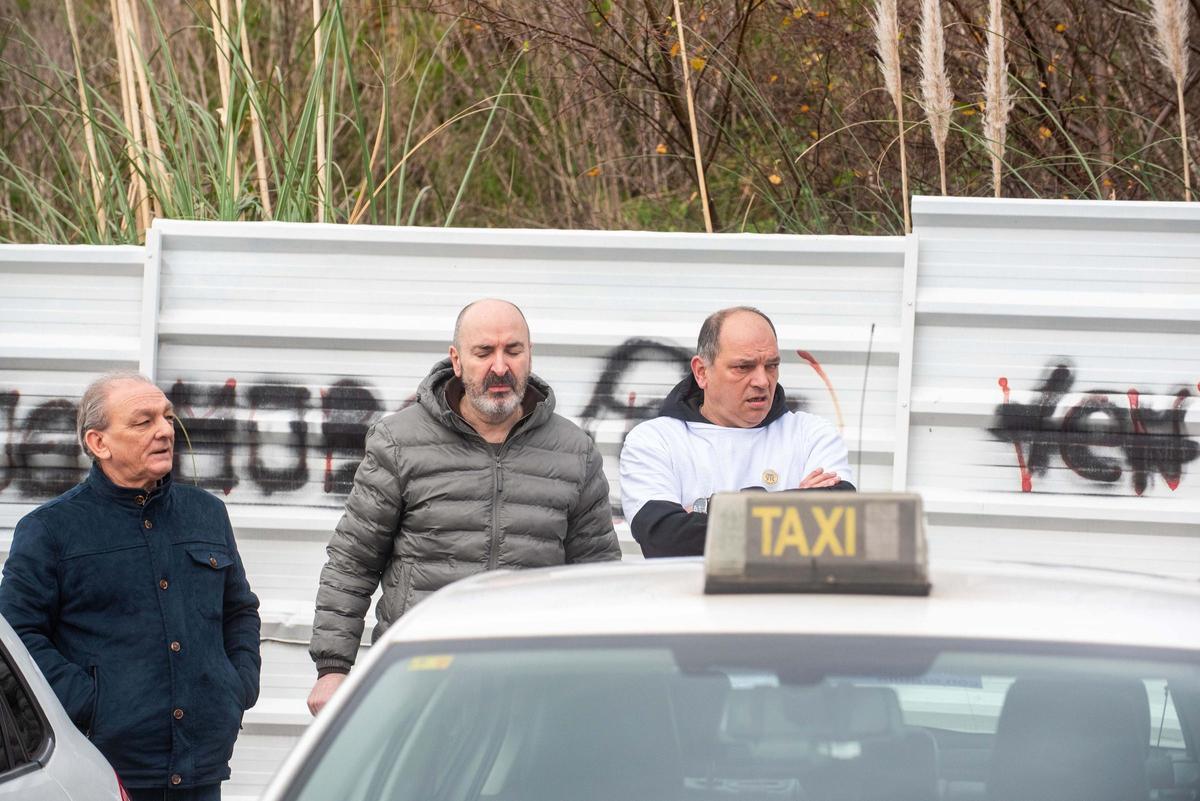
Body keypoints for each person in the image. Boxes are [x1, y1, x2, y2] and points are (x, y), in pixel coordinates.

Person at [307, 299, 621, 714]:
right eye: (483, 352)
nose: (500, 367)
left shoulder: (574, 451)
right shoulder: (399, 441)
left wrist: (609, 670)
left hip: (535, 684)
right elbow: (353, 560)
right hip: (420, 676)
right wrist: (333, 667)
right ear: (456, 360)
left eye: (513, 350)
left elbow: (597, 574)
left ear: (530, 356)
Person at [0, 372, 260, 801]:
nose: (164, 430)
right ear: (98, 443)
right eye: (143, 422)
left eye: (167, 418)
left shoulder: (207, 515)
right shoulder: (51, 530)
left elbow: (239, 610)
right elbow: (18, 636)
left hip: (201, 766)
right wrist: (91, 705)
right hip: (107, 773)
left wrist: (237, 684)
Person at [620, 306, 855, 558]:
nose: (762, 381)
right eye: (744, 367)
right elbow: (664, 538)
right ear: (701, 372)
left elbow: (838, 522)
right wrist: (794, 508)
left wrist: (707, 510)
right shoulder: (654, 440)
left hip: (787, 597)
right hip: (687, 596)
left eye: (771, 366)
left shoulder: (812, 434)